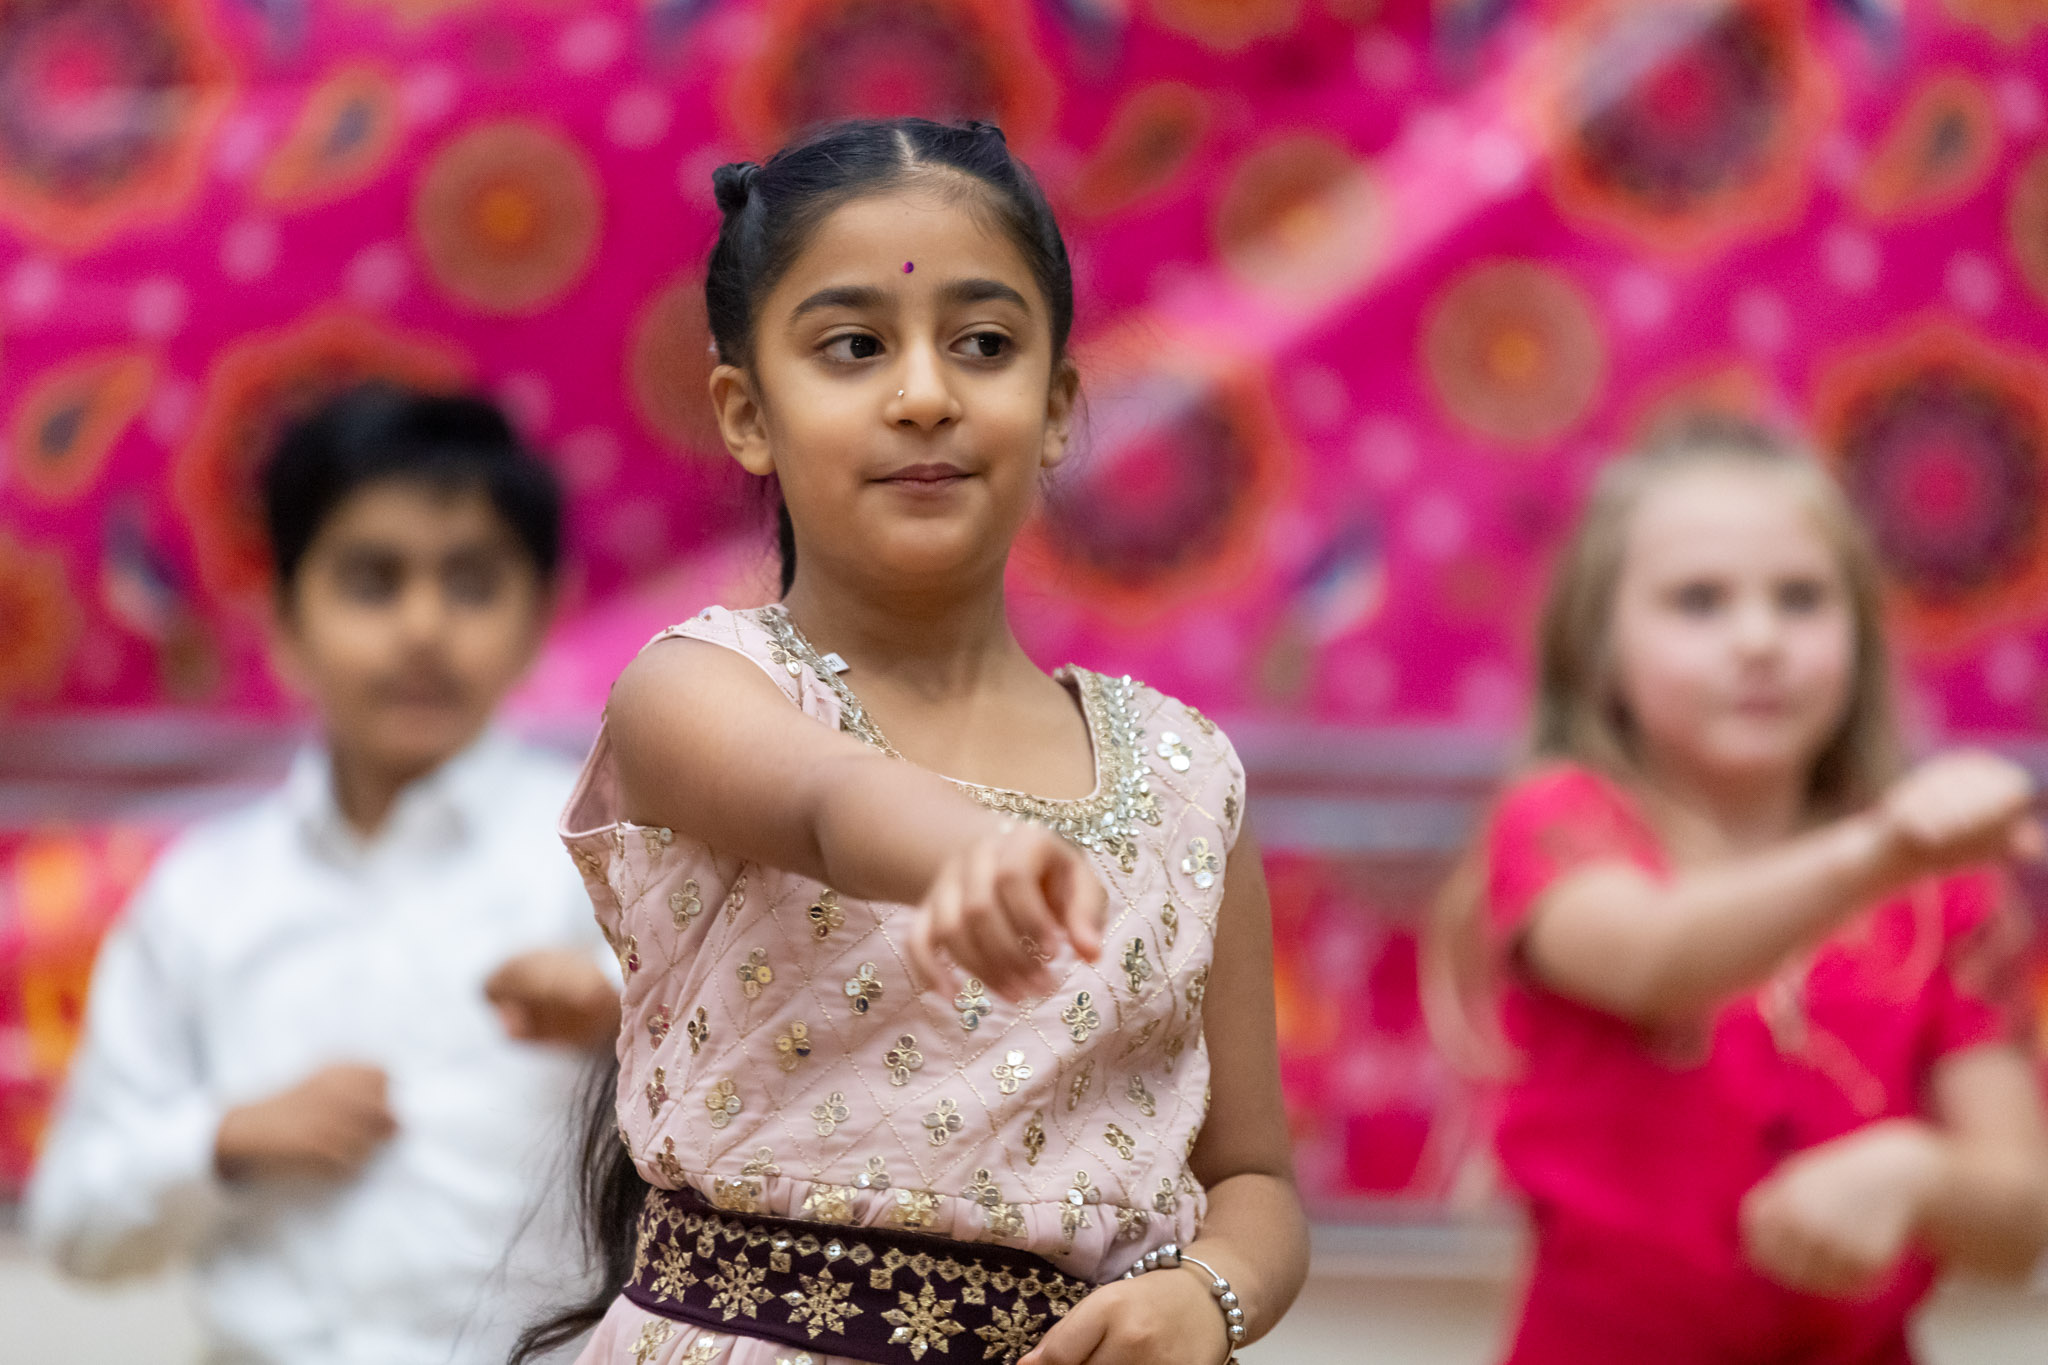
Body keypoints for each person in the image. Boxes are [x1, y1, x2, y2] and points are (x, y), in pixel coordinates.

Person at [515, 117, 1307, 1365]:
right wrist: (968, 851)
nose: (925, 393)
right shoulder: (698, 692)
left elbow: (1253, 1178)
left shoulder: (1186, 776)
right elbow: (828, 798)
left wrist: (1205, 1291)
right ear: (746, 413)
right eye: (852, 347)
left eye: (983, 346)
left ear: (1053, 409)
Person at [1425, 420, 2048, 1364]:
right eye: (1698, 601)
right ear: (1599, 649)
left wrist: (1922, 1174)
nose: (1759, 639)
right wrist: (1880, 851)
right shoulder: (1558, 822)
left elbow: (2020, 1221)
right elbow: (1655, 959)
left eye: (1801, 599)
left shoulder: (1948, 888)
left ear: (1860, 637)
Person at [28, 384, 621, 1365]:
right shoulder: (202, 899)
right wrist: (222, 1141)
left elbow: (754, 1136)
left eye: (471, 582)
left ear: (538, 616)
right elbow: (71, 1224)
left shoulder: (604, 854)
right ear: (285, 619)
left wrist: (620, 1022)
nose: (424, 626)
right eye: (372, 580)